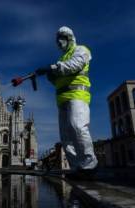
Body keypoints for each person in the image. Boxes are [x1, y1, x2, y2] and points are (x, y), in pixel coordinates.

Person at [36, 26, 98, 176]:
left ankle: (89, 165)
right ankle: (77, 167)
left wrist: (51, 68)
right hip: (62, 100)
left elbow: (73, 66)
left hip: (77, 95)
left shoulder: (81, 50)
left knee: (77, 127)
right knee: (66, 137)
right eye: (58, 40)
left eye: (62, 39)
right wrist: (50, 75)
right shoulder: (62, 59)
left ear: (70, 38)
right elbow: (59, 79)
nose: (59, 42)